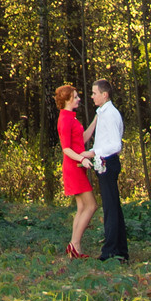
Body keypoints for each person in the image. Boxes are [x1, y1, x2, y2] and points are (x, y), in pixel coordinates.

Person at [55, 83, 95, 257]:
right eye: (76, 97)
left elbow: (82, 139)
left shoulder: (72, 117)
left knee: (81, 207)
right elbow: (66, 148)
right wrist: (82, 159)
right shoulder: (64, 119)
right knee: (91, 205)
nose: (79, 99)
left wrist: (96, 120)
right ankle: (74, 244)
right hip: (74, 167)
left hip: (78, 165)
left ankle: (75, 248)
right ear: (68, 99)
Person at [89, 78, 127, 262]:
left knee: (110, 209)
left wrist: (94, 153)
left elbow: (115, 145)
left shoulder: (110, 114)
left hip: (108, 163)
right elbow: (103, 142)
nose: (92, 96)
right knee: (112, 207)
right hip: (103, 162)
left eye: (94, 93)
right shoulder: (103, 113)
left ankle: (110, 251)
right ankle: (119, 250)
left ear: (105, 95)